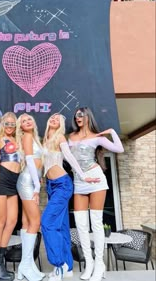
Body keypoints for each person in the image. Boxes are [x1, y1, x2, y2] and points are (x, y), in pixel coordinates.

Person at [41, 113, 99, 281]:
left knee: (48, 223)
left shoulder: (59, 137)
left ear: (61, 124)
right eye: (52, 117)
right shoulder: (45, 139)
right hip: (51, 186)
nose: (53, 119)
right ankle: (67, 266)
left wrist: (82, 176)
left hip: (62, 184)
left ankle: (58, 265)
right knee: (61, 226)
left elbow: (70, 158)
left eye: (57, 119)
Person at [68, 107, 124, 281]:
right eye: (76, 115)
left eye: (81, 115)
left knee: (97, 223)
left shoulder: (96, 137)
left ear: (87, 116)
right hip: (79, 181)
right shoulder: (70, 137)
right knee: (81, 225)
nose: (78, 117)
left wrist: (112, 132)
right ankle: (89, 263)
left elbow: (119, 149)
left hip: (96, 178)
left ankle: (99, 264)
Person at [0, 112, 20, 281]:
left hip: (15, 181)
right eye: (7, 123)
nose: (9, 126)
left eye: (12, 124)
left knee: (12, 221)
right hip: (2, 178)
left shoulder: (18, 140)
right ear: (2, 124)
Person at [16, 113, 45, 281]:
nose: (27, 122)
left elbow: (38, 164)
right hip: (27, 181)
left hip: (32, 181)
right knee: (36, 222)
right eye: (24, 121)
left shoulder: (35, 138)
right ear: (21, 126)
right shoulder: (27, 137)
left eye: (29, 119)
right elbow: (29, 160)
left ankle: (25, 266)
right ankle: (26, 264)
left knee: (27, 222)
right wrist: (37, 185)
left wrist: (38, 181)